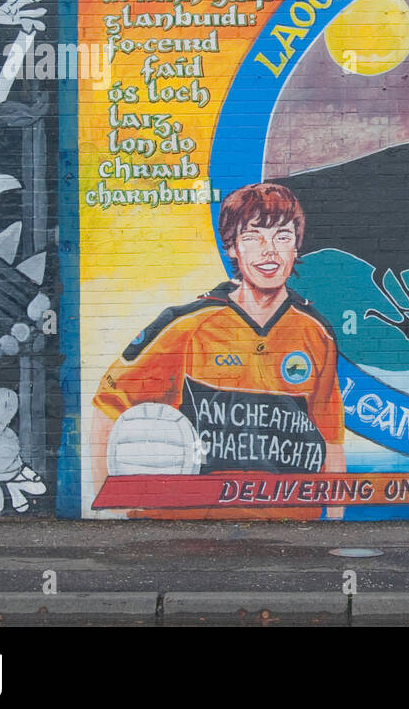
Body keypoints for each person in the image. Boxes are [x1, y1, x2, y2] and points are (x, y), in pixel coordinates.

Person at [90, 182, 345, 516]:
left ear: (296, 247)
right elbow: (108, 407)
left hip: (286, 531)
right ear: (233, 248)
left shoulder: (316, 333)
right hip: (190, 532)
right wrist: (112, 511)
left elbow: (331, 444)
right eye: (253, 237)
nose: (269, 251)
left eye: (282, 236)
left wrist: (334, 524)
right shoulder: (186, 325)